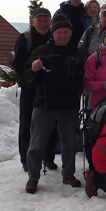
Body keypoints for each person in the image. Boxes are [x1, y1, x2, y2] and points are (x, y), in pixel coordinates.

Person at [24, 14, 84, 194]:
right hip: (44, 106)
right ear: (53, 33)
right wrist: (33, 69)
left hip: (69, 107)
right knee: (36, 144)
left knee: (69, 145)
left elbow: (83, 79)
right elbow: (27, 77)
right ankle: (33, 177)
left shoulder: (76, 54)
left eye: (66, 32)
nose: (63, 35)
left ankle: (68, 174)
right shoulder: (41, 52)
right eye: (59, 32)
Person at [12, 7, 59, 172]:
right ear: (32, 22)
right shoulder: (24, 39)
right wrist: (33, 67)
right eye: (40, 20)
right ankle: (26, 159)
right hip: (30, 88)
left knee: (52, 124)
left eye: (46, 20)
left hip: (50, 89)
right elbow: (17, 64)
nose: (44, 23)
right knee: (27, 124)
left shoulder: (55, 37)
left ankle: (48, 156)